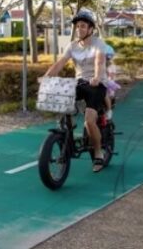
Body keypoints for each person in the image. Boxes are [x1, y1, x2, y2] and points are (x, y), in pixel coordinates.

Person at [43, 10, 109, 173]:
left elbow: (99, 62)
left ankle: (98, 151)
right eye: (77, 26)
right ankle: (67, 134)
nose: (79, 29)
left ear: (90, 29)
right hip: (80, 82)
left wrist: (96, 77)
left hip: (96, 84)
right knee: (62, 101)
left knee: (88, 120)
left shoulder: (97, 44)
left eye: (83, 26)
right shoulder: (72, 46)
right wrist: (46, 77)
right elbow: (60, 63)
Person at [103, 45, 121, 121]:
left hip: (108, 85)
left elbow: (111, 77)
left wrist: (107, 74)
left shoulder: (111, 66)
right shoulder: (99, 64)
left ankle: (109, 110)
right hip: (101, 83)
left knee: (104, 94)